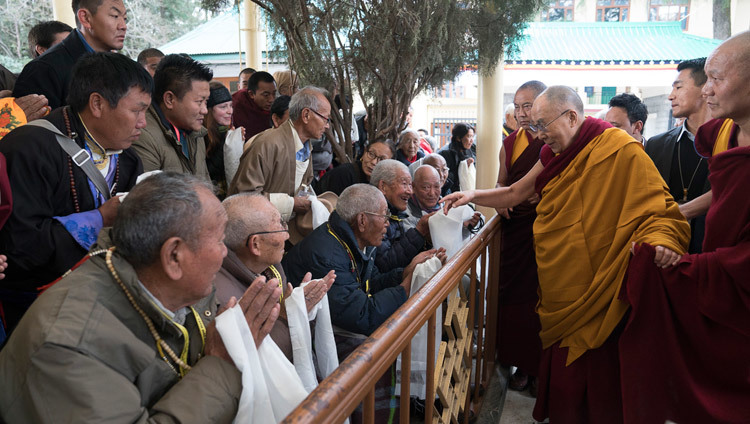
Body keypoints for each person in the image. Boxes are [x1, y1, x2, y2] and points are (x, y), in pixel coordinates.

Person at [442, 85, 689, 423]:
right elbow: (515, 192)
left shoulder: (618, 148)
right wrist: (471, 194)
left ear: (572, 116)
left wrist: (660, 241)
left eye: (544, 125)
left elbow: (658, 209)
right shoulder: (552, 155)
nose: (540, 136)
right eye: (535, 127)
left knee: (601, 381)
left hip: (605, 282)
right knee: (567, 379)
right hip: (565, 284)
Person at [0, 172, 282, 423]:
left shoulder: (169, 282)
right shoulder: (71, 346)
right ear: (173, 256)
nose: (224, 253)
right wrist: (222, 364)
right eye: (220, 240)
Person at [619, 31, 750, 424]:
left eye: (717, 79)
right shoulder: (722, 134)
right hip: (715, 259)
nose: (709, 90)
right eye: (706, 78)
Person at [0, 52, 148, 334]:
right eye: (136, 111)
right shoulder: (29, 148)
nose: (143, 123)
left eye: (146, 112)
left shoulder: (129, 160)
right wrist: (100, 219)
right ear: (97, 103)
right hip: (35, 312)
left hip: (98, 298)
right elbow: (19, 249)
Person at [282, 183, 442, 422]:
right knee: (380, 349)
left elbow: (369, 283)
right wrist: (407, 285)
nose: (389, 222)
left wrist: (405, 272)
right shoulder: (327, 254)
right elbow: (363, 316)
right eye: (384, 216)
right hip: (309, 333)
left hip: (341, 316)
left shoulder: (353, 238)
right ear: (362, 221)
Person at [216, 193, 334, 361]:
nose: (287, 234)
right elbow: (256, 360)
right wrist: (287, 317)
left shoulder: (271, 267)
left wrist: (302, 308)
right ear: (255, 244)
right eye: (280, 225)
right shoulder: (225, 300)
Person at [494, 80, 546, 394]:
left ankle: (542, 368)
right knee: (514, 303)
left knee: (541, 301)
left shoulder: (554, 140)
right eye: (517, 106)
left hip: (546, 231)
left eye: (528, 105)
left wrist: (548, 198)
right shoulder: (510, 143)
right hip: (515, 231)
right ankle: (520, 365)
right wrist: (500, 204)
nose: (522, 113)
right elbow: (502, 184)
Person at [229, 86, 329, 223]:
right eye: (325, 118)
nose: (327, 126)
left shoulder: (306, 146)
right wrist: (291, 203)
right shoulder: (267, 144)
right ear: (306, 115)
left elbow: (303, 184)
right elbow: (244, 197)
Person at [645, 58, 711, 253]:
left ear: (706, 88)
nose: (671, 96)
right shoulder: (657, 145)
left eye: (679, 87)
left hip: (711, 252)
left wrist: (680, 211)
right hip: (664, 250)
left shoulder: (731, 142)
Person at [13, 0, 128, 109]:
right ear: (85, 18)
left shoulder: (122, 65)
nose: (123, 26)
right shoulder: (43, 70)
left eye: (125, 18)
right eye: (115, 16)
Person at [131, 54, 211, 179]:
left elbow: (205, 182)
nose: (205, 110)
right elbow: (146, 196)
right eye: (199, 102)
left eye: (206, 101)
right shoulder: (143, 137)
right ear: (169, 99)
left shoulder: (196, 131)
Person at [370, 159, 431, 272]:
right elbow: (385, 264)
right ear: (383, 186)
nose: (410, 192)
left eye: (410, 185)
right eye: (404, 184)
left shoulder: (395, 212)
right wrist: (419, 232)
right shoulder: (372, 215)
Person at [313, 139, 394, 196]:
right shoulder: (344, 174)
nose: (373, 162)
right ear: (365, 152)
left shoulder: (384, 184)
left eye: (382, 159)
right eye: (371, 154)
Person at [203, 81, 238, 198]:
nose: (230, 111)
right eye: (223, 107)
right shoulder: (201, 135)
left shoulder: (225, 131)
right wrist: (227, 144)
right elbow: (209, 170)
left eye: (231, 105)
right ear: (209, 110)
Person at [232, 71, 276, 141]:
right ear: (251, 94)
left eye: (274, 94)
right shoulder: (237, 105)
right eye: (266, 95)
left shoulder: (277, 107)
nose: (271, 99)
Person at [439, 123, 475, 194]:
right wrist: (463, 166)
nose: (472, 140)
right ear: (458, 138)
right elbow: (445, 178)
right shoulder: (445, 153)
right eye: (469, 136)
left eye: (472, 136)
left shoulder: (471, 150)